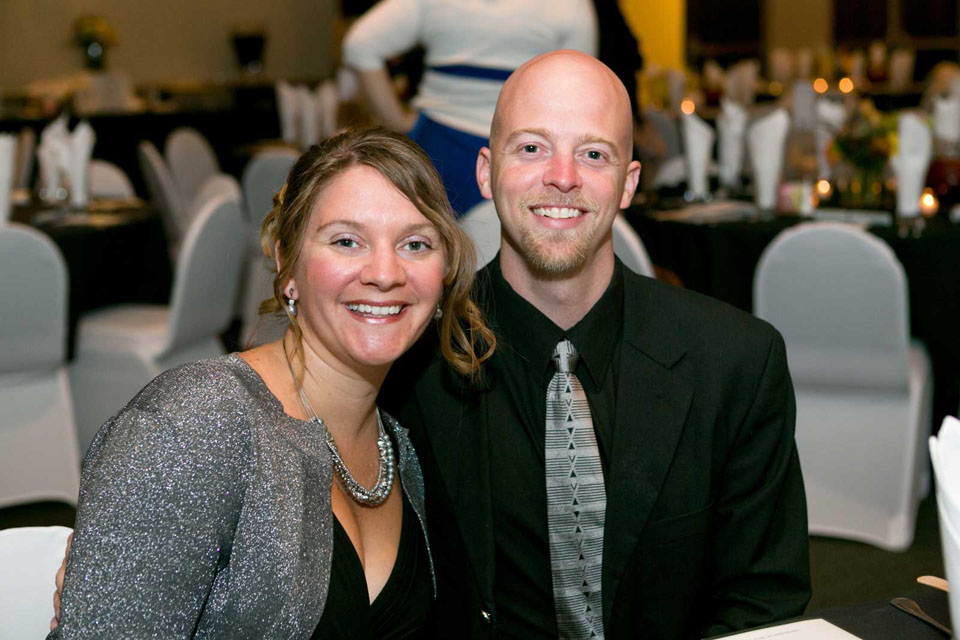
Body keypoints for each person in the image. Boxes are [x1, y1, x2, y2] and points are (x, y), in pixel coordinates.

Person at [381, 50, 811, 638]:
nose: (563, 175)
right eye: (531, 147)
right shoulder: (409, 361)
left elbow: (762, 605)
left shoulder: (736, 363)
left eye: (593, 153)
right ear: (486, 172)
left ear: (629, 183)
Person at [47, 127, 494, 639]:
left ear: (443, 273)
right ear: (288, 267)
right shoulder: (195, 425)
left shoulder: (404, 443)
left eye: (415, 244)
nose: (385, 272)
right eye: (347, 241)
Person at [341, 0, 597, 216]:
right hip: (526, 154)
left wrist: (397, 122)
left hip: (437, 147)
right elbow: (578, 88)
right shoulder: (569, 5)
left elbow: (360, 45)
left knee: (433, 260)